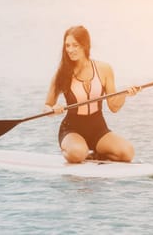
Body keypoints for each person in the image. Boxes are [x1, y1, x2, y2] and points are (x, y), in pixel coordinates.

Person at [44, 26, 140, 163]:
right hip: (72, 129)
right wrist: (52, 110)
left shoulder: (104, 69)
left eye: (75, 45)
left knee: (127, 153)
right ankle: (74, 150)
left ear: (85, 45)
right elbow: (47, 106)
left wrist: (124, 94)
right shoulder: (62, 74)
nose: (70, 50)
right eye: (67, 45)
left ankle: (96, 154)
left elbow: (114, 107)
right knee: (77, 154)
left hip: (98, 128)